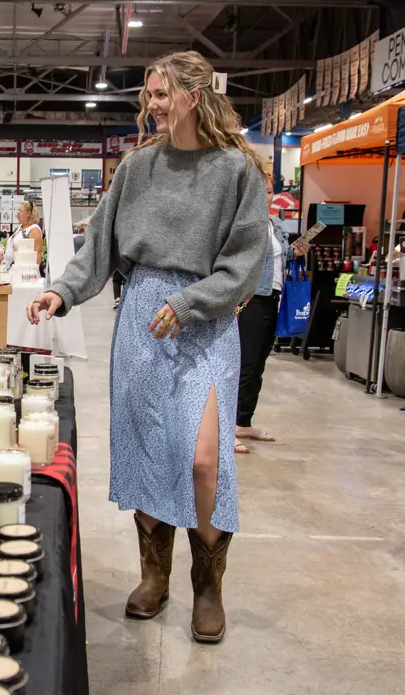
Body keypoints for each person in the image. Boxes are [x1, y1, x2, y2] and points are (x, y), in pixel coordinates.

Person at [27, 50, 268, 644]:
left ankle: (207, 583)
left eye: (161, 93)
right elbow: (99, 248)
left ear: (194, 94)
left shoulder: (237, 170)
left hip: (205, 321)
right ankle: (153, 576)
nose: (151, 104)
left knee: (203, 460)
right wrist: (63, 291)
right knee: (149, 447)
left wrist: (188, 305)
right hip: (141, 317)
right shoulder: (136, 168)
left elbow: (244, 265)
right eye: (148, 95)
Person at [233, 173, 309, 453]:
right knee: (245, 364)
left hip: (273, 297)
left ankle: (244, 422)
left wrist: (296, 252)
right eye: (261, 191)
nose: (266, 196)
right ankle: (228, 428)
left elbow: (281, 258)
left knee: (260, 364)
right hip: (251, 298)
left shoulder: (274, 224)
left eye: (269, 191)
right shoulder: (243, 224)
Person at [4, 198, 44, 270]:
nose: (18, 213)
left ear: (28, 213)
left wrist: (32, 274)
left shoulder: (34, 229)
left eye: (21, 211)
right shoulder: (20, 227)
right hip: (11, 269)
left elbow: (37, 255)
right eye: (18, 210)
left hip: (24, 273)